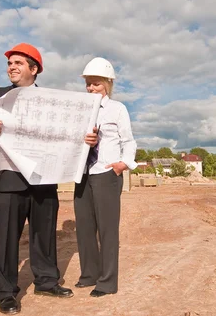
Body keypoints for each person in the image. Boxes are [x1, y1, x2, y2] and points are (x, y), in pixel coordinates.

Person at [0, 43, 73, 315]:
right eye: (10, 63)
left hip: (43, 177)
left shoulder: (51, 101)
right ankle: (6, 293)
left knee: (44, 234)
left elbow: (65, 133)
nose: (12, 67)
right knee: (4, 238)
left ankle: (46, 281)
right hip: (7, 178)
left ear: (34, 69)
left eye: (18, 63)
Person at [75, 57, 137, 297]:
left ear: (108, 85)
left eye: (96, 84)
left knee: (107, 229)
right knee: (84, 227)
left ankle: (107, 282)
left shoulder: (117, 109)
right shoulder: (80, 110)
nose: (91, 88)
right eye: (88, 84)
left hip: (106, 173)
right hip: (83, 173)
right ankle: (89, 274)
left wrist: (122, 165)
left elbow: (128, 140)